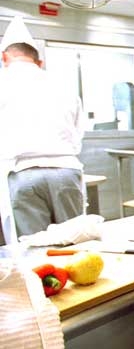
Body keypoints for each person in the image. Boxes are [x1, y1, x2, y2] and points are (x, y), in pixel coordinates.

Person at [0, 41, 85, 240]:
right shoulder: (61, 84)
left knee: (34, 245)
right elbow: (78, 130)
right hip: (66, 169)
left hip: (21, 171)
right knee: (74, 241)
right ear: (39, 62)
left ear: (4, 58)